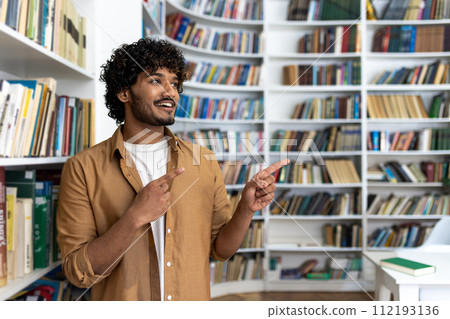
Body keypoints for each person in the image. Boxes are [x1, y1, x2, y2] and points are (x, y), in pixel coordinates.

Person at [56, 37, 288, 301]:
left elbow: (221, 250)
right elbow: (77, 272)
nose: (171, 92)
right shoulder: (82, 168)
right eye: (156, 80)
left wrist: (246, 209)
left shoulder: (204, 161)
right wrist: (135, 216)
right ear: (124, 92)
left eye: (175, 83)